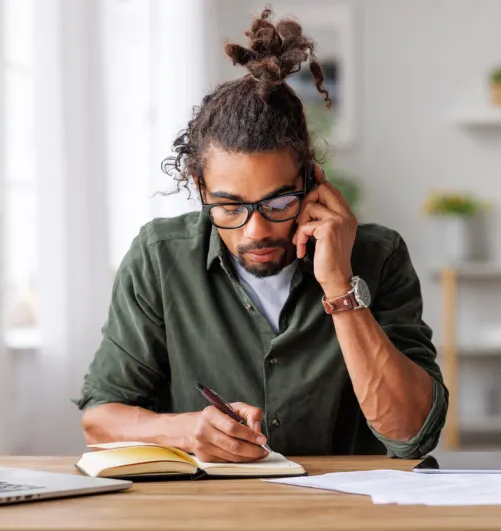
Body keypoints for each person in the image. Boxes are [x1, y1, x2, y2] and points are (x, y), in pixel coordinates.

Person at [76, 8, 447, 462]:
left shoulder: (378, 255)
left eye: (277, 203)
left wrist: (339, 288)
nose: (256, 231)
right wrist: (186, 430)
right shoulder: (160, 259)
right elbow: (99, 421)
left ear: (312, 183)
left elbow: (411, 435)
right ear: (200, 188)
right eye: (230, 206)